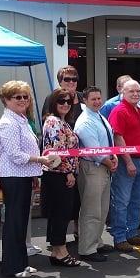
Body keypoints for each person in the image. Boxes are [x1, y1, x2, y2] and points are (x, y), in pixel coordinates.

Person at [0, 81, 53, 278]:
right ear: (6, 100)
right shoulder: (8, 123)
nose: (22, 100)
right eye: (17, 97)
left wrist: (34, 172)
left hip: (23, 175)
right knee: (14, 222)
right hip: (13, 176)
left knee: (20, 223)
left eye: (25, 97)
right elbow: (15, 155)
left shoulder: (21, 119)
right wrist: (40, 160)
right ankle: (12, 267)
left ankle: (21, 264)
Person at [108, 79, 140, 252]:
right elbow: (118, 138)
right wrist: (128, 162)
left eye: (137, 91)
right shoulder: (119, 111)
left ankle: (131, 233)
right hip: (128, 162)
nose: (135, 94)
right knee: (121, 200)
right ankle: (119, 237)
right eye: (131, 91)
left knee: (136, 200)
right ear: (123, 93)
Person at [75, 86, 117, 262]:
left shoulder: (99, 116)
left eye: (99, 98)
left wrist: (113, 157)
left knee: (102, 208)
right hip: (93, 168)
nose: (97, 101)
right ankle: (87, 249)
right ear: (85, 100)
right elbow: (94, 150)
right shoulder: (85, 121)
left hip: (104, 167)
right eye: (93, 99)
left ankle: (97, 242)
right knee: (91, 210)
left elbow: (107, 141)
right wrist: (109, 161)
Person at [41, 88, 82, 267]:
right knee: (61, 214)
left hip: (59, 174)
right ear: (53, 103)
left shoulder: (62, 121)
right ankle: (61, 251)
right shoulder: (54, 122)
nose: (65, 104)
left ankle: (57, 250)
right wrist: (69, 173)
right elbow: (58, 153)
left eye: (68, 101)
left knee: (60, 214)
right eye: (61, 101)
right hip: (59, 174)